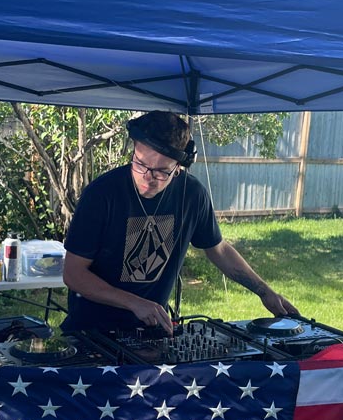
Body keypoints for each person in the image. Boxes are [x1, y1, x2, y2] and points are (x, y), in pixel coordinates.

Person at [61, 111, 298, 334]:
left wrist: (264, 291)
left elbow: (218, 249)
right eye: (140, 163)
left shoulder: (192, 194)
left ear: (179, 167)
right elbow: (73, 273)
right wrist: (134, 303)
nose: (147, 177)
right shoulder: (101, 194)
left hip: (152, 330)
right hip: (91, 330)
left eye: (161, 171)